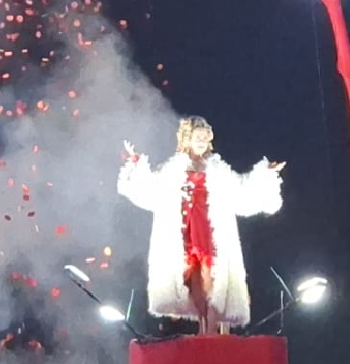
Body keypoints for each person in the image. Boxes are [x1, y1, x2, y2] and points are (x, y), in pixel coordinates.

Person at [118, 116, 285, 335]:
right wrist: (136, 162)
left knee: (212, 282)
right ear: (187, 138)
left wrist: (266, 174)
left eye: (206, 139)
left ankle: (211, 333)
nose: (202, 142)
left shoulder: (217, 170)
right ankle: (204, 332)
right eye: (198, 137)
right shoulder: (173, 170)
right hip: (184, 233)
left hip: (210, 232)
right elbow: (151, 189)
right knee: (193, 284)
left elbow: (241, 189)